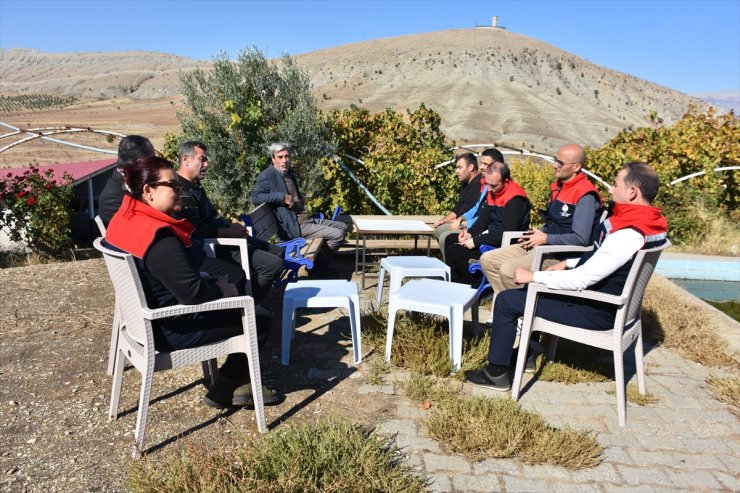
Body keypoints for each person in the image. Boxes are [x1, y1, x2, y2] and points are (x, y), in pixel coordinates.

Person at [466, 162, 668, 391]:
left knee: (507, 301)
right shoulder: (650, 223)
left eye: (616, 184)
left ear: (632, 192)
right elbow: (604, 259)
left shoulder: (628, 232)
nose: (611, 189)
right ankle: (528, 353)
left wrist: (534, 276)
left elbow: (582, 279)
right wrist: (568, 262)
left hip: (596, 309)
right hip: (608, 303)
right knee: (524, 294)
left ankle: (496, 374)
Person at [104, 156, 282, 408]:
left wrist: (209, 279)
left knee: (237, 298)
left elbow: (170, 276)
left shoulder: (125, 219)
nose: (179, 192)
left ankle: (243, 385)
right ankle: (223, 390)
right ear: (148, 191)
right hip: (170, 328)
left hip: (141, 322)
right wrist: (221, 289)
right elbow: (192, 294)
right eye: (172, 186)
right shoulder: (159, 236)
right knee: (259, 318)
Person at [479, 143, 602, 294]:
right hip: (541, 245)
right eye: (555, 160)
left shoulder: (585, 194)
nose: (554, 165)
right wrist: (540, 234)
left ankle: (519, 308)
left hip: (559, 254)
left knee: (508, 270)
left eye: (560, 163)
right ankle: (505, 304)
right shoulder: (558, 187)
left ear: (576, 167)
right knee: (488, 260)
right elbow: (554, 222)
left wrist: (546, 238)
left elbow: (581, 238)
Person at [175, 141, 284, 303]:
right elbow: (198, 230)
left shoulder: (195, 187)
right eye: (202, 159)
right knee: (273, 265)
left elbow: (212, 216)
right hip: (216, 245)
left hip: (227, 237)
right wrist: (229, 232)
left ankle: (248, 297)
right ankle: (249, 303)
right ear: (186, 160)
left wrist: (230, 226)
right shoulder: (181, 191)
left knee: (278, 252)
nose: (206, 164)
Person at [251, 142, 347, 266]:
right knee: (338, 235)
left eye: (287, 156)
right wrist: (282, 197)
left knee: (343, 227)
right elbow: (255, 197)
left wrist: (298, 198)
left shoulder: (288, 173)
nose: (285, 160)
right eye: (280, 157)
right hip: (295, 226)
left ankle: (321, 260)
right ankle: (319, 265)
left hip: (307, 219)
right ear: (273, 159)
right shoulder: (267, 176)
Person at [444, 160, 531, 286]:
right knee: (450, 239)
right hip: (493, 236)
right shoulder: (494, 190)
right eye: (488, 184)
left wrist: (476, 241)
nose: (489, 189)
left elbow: (507, 232)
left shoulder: (515, 198)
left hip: (506, 243)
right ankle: (456, 282)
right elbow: (484, 218)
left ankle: (473, 285)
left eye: (493, 185)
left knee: (455, 252)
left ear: (506, 181)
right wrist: (470, 233)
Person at [433, 153, 482, 260]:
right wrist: (443, 220)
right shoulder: (465, 183)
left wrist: (461, 222)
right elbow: (458, 207)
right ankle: (449, 262)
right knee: (439, 229)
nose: (456, 171)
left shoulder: (479, 184)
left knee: (444, 236)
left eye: (459, 167)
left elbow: (472, 211)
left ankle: (453, 266)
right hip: (461, 221)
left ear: (471, 167)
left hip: (472, 225)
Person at [97, 135, 155, 225]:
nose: (156, 165)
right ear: (139, 163)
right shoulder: (111, 199)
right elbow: (133, 229)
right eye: (153, 160)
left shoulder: (140, 181)